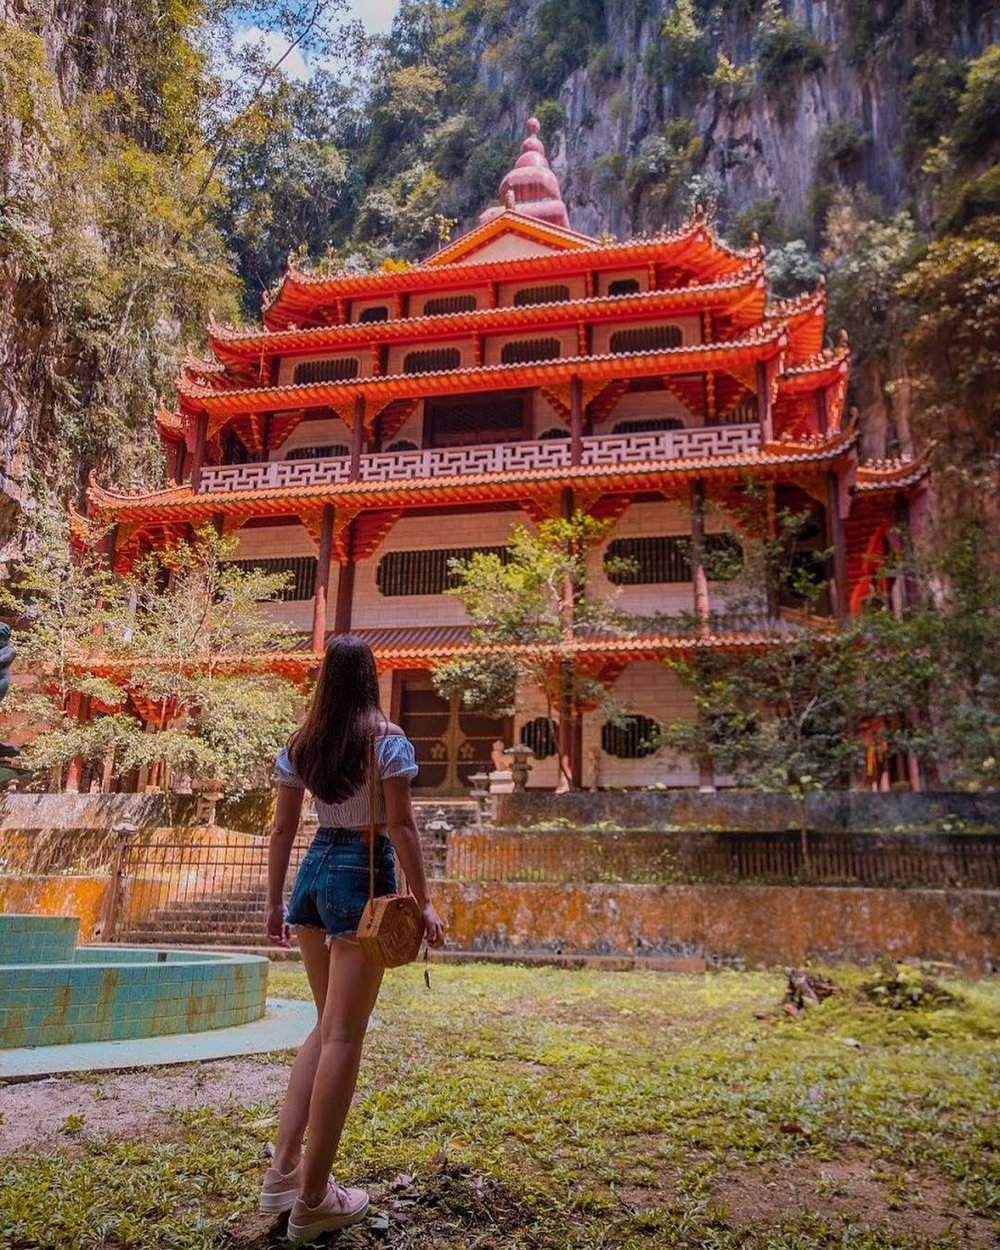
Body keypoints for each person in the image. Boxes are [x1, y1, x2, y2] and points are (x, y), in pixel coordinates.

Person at [261, 634, 446, 1242]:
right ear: (369, 679)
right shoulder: (386, 742)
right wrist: (424, 902)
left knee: (324, 1023)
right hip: (361, 874)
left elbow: (285, 826)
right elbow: (401, 826)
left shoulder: (302, 745)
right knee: (344, 1032)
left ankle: (283, 1175)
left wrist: (275, 901)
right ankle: (315, 1198)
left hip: (312, 874)